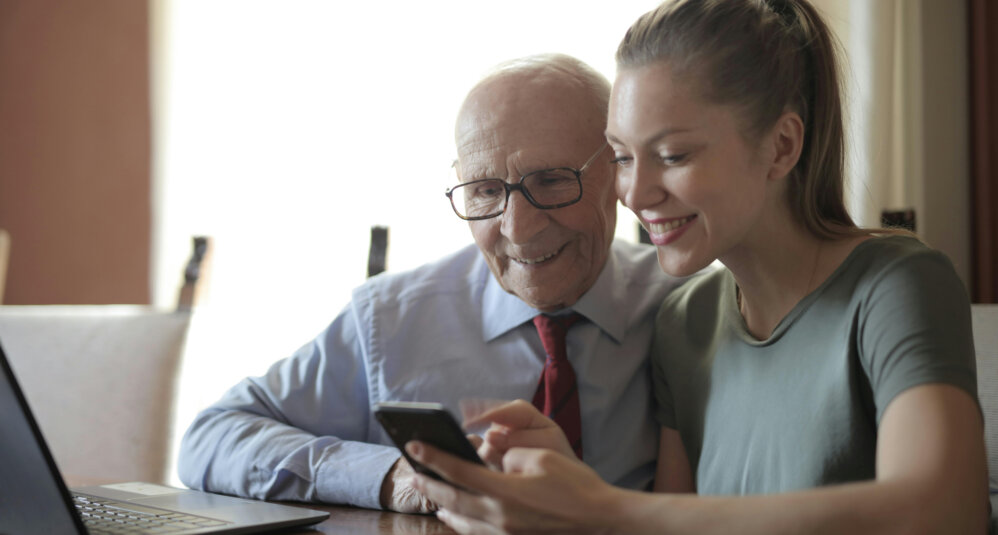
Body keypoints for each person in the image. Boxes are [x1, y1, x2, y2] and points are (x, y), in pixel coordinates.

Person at [406, 1, 998, 534]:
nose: (635, 193)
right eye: (621, 157)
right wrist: (564, 486)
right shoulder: (685, 321)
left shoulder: (895, 284)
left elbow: (944, 515)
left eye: (672, 155)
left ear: (781, 146)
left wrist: (602, 508)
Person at [176, 53, 686, 513]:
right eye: (486, 191)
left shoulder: (690, 311)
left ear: (619, 171)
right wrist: (391, 476)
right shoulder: (391, 319)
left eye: (551, 181)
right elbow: (210, 438)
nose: (517, 227)